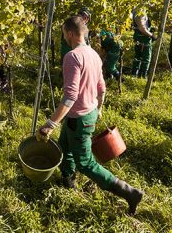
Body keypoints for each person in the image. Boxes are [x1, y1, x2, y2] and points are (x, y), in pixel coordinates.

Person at [37, 16, 145, 214]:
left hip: (79, 117)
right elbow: (101, 87)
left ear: (70, 33)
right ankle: (68, 179)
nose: (63, 36)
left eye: (63, 33)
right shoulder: (93, 54)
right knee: (65, 147)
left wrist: (50, 123)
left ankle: (130, 192)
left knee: (85, 163)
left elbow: (70, 96)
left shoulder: (72, 56)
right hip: (85, 113)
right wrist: (99, 107)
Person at [131, 6, 156, 78]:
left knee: (137, 56)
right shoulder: (140, 12)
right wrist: (151, 35)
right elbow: (142, 28)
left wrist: (150, 29)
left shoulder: (135, 10)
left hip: (138, 36)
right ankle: (142, 76)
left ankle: (134, 74)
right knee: (146, 58)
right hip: (143, 37)